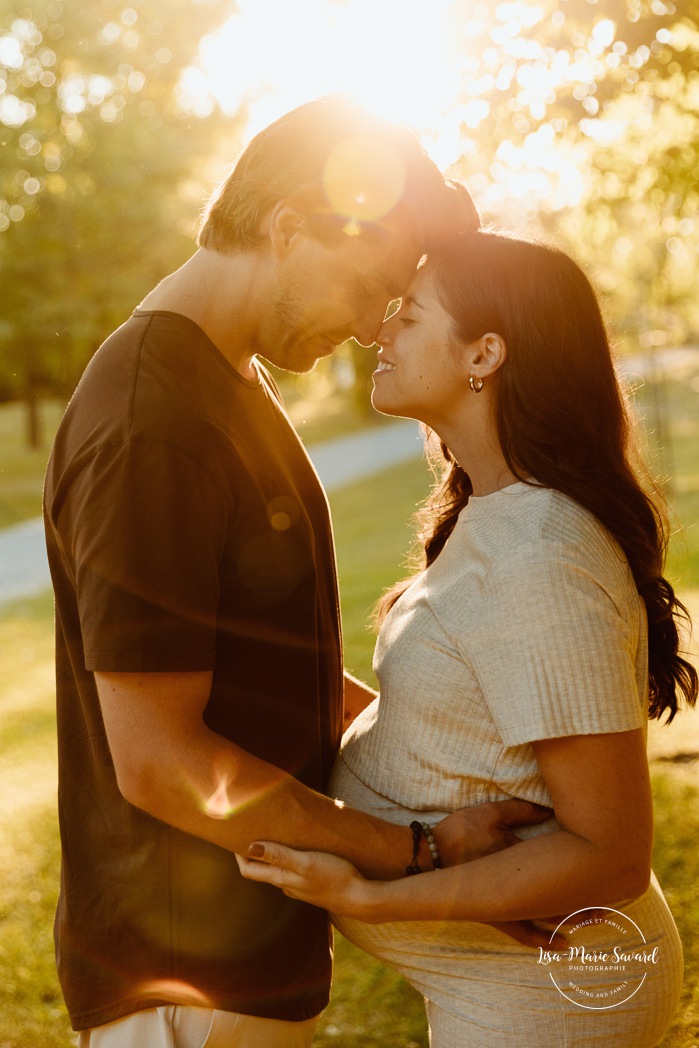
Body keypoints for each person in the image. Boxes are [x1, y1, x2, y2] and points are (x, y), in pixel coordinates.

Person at [43, 99, 552, 1048]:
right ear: (287, 228)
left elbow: (277, 680)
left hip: (245, 970)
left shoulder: (226, 378)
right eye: (367, 286)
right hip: (182, 987)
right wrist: (415, 851)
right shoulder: (153, 423)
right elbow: (160, 763)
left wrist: (466, 822)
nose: (373, 324)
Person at [237, 228, 699, 1046]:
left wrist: (371, 896)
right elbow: (441, 714)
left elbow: (609, 854)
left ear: (484, 353)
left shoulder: (542, 554)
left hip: (550, 1001)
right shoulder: (494, 513)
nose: (379, 330)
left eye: (409, 316)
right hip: (511, 989)